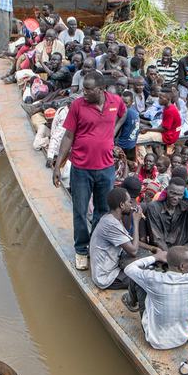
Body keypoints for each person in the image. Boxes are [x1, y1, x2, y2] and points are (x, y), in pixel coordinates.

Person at [52, 72, 123, 270]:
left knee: (103, 210)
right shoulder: (77, 105)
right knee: (80, 211)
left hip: (106, 168)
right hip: (81, 169)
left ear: (100, 90)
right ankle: (81, 249)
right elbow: (68, 136)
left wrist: (113, 133)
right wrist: (58, 165)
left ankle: (95, 244)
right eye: (83, 88)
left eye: (88, 89)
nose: (84, 92)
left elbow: (124, 113)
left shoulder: (115, 101)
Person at [124, 246, 188, 350]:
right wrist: (171, 257)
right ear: (182, 266)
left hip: (157, 341)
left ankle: (131, 302)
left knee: (139, 281)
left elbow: (129, 269)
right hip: (184, 337)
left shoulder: (154, 279)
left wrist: (156, 257)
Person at [89, 187, 145, 290]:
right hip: (106, 276)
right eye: (129, 202)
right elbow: (133, 250)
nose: (131, 205)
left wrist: (152, 249)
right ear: (122, 205)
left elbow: (129, 241)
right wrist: (136, 222)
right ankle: (130, 300)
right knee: (144, 279)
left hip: (110, 265)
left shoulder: (112, 218)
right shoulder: (111, 224)